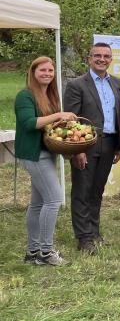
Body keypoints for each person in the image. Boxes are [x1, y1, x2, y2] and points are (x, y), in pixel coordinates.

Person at [15, 56, 77, 265]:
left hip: (46, 153)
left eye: (50, 71)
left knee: (38, 203)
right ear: (33, 72)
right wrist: (58, 115)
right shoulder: (25, 95)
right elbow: (29, 123)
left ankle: (33, 252)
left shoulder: (49, 95)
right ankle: (46, 252)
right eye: (42, 70)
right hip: (34, 154)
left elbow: (50, 127)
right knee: (54, 200)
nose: (47, 74)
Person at [64, 42, 120, 254]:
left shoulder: (116, 83)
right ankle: (84, 238)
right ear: (89, 58)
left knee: (97, 191)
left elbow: (118, 116)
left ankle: (94, 231)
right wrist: (77, 149)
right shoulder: (77, 85)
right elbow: (71, 120)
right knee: (82, 191)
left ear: (111, 59)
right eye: (97, 55)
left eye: (106, 56)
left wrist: (118, 145)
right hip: (86, 144)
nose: (102, 59)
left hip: (109, 143)